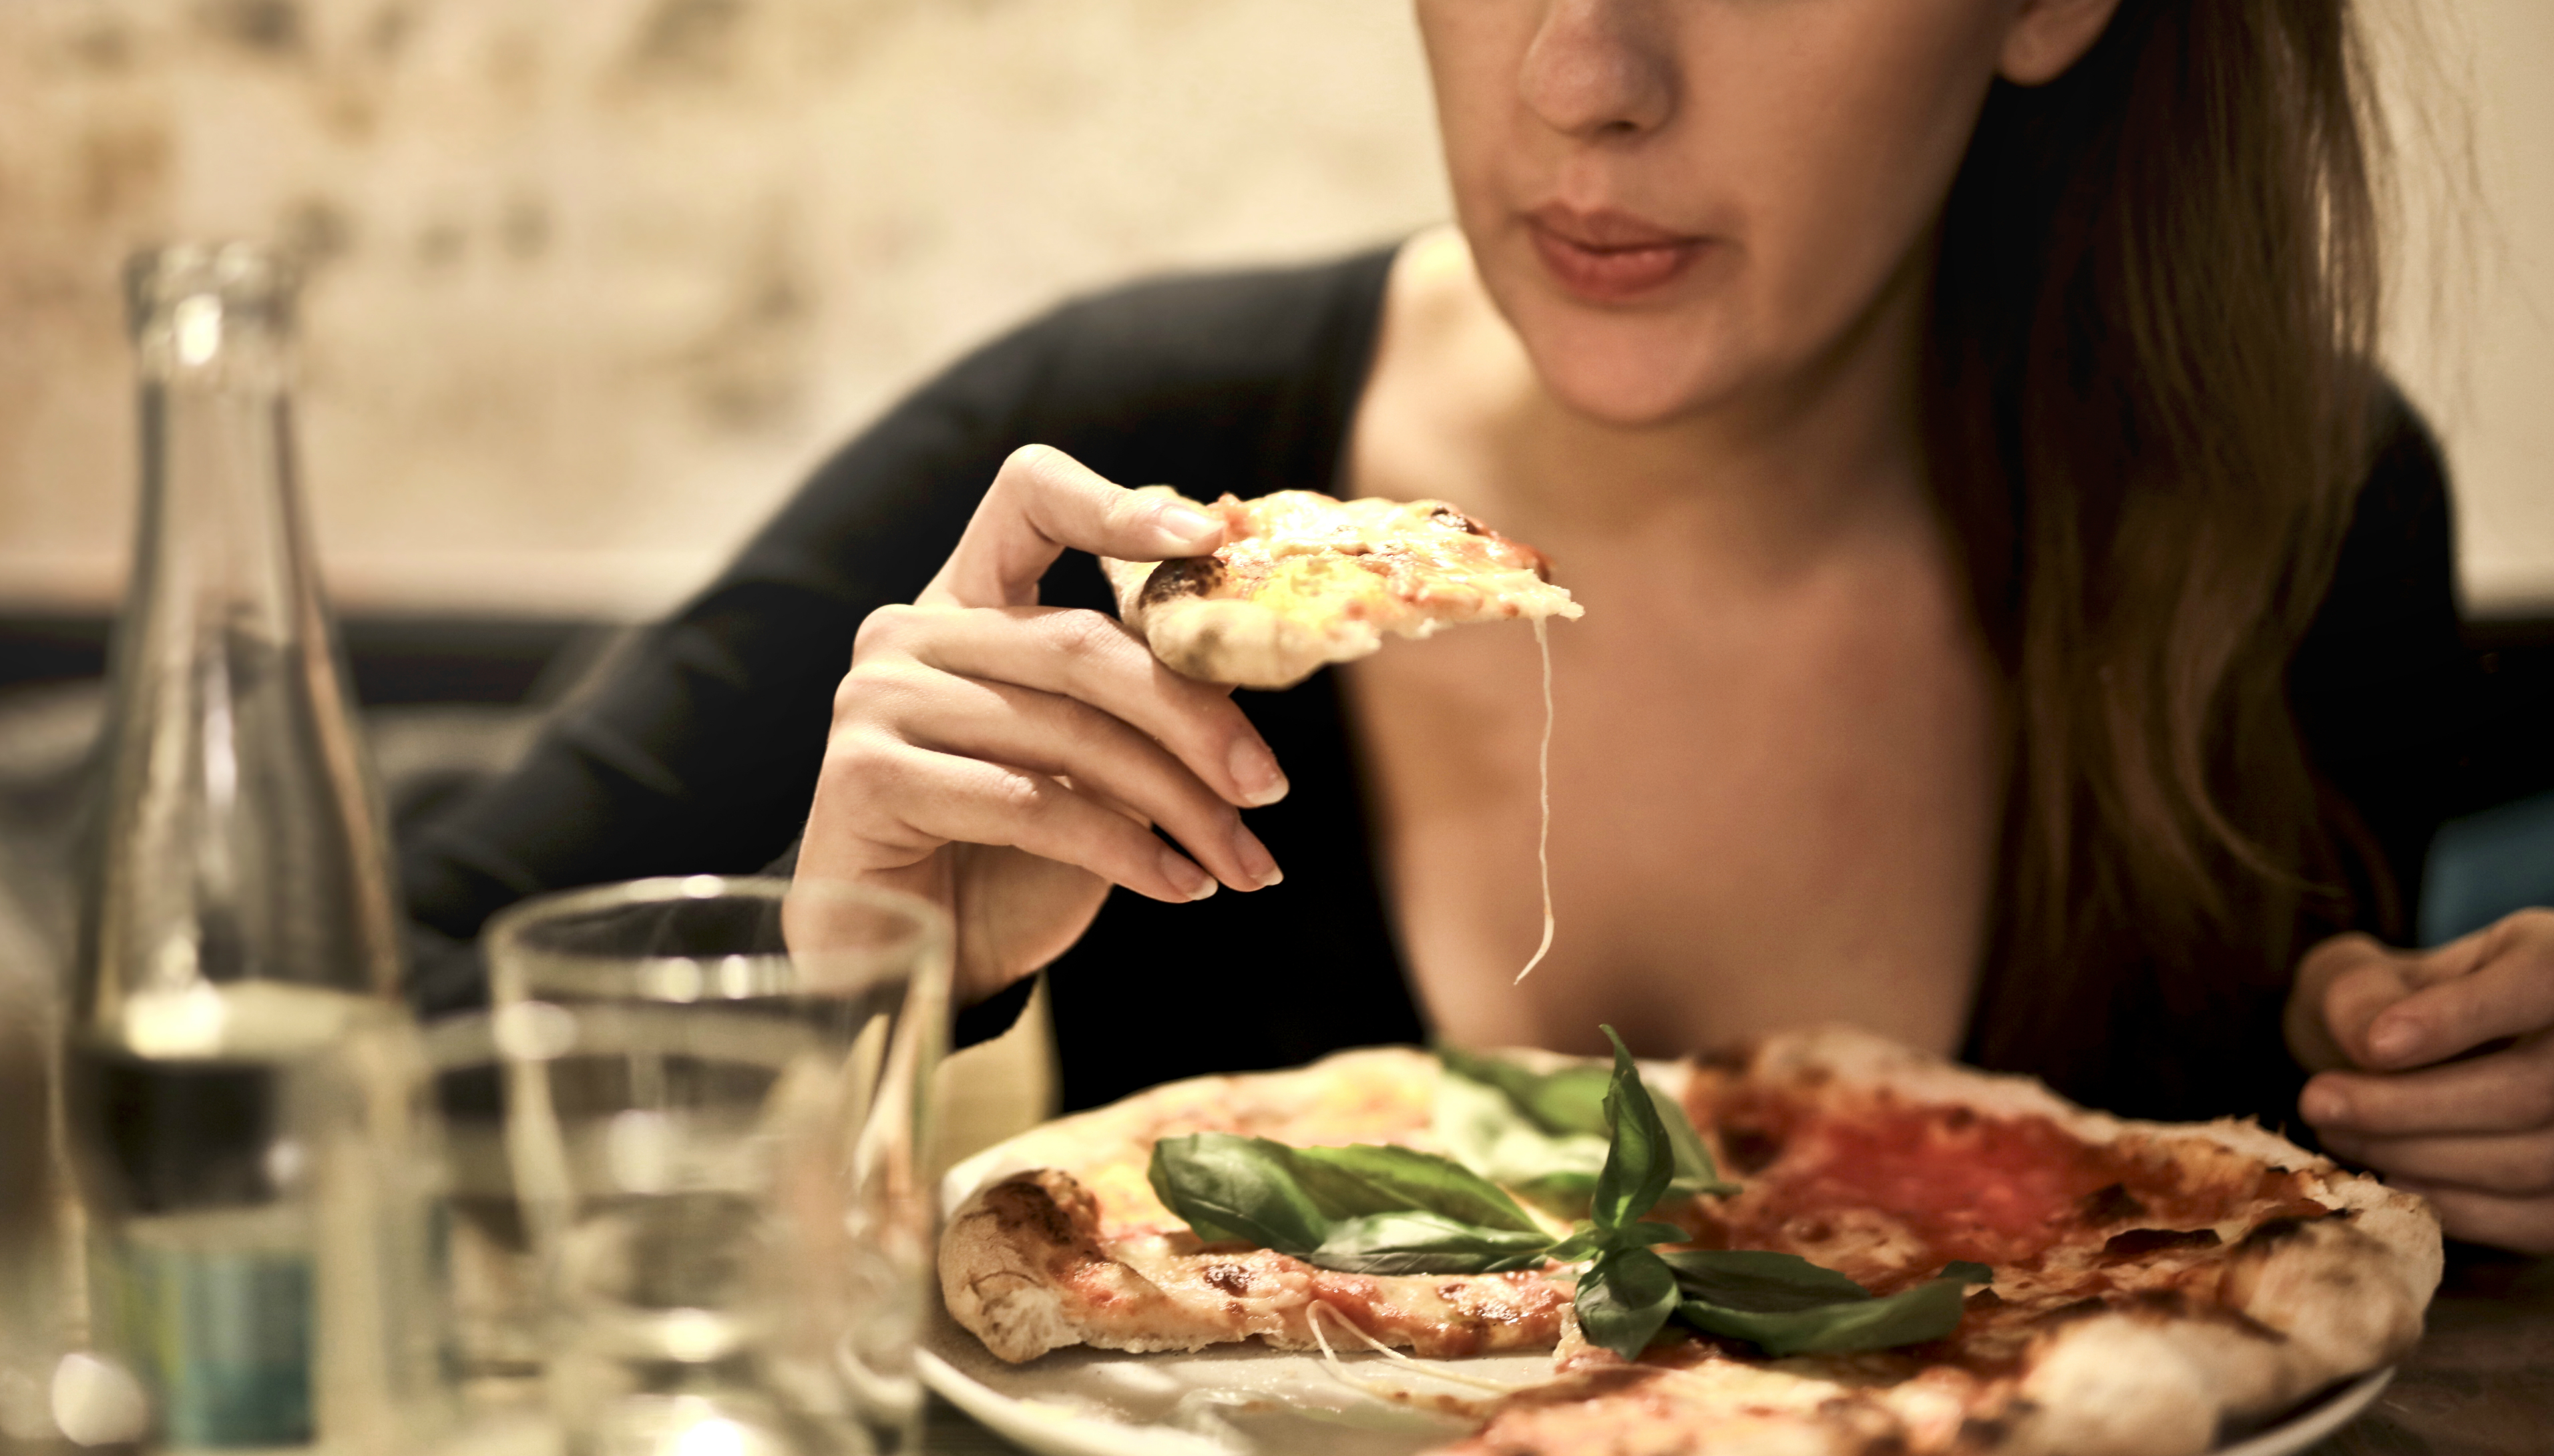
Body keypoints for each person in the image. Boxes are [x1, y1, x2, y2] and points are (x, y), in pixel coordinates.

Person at [403, 1, 2554, 1253]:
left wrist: (2449, 1094)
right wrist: (844, 985)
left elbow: (2299, 1214)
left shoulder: (2293, 508)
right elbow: (322, 1051)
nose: (1580, 73)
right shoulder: (1113, 469)